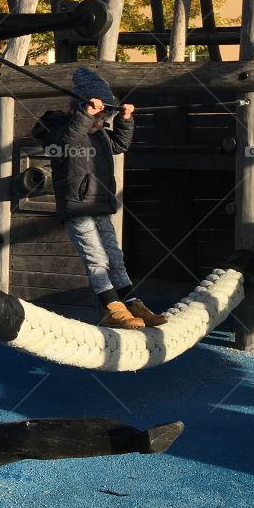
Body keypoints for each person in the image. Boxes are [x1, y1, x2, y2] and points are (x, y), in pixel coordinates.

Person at [35, 66, 167, 330]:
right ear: (81, 110)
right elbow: (69, 140)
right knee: (96, 258)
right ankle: (111, 308)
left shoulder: (100, 135)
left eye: (105, 117)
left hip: (99, 204)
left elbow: (120, 145)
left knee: (114, 256)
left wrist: (125, 120)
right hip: (77, 207)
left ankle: (131, 302)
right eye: (99, 116)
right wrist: (85, 115)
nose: (101, 122)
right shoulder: (61, 131)